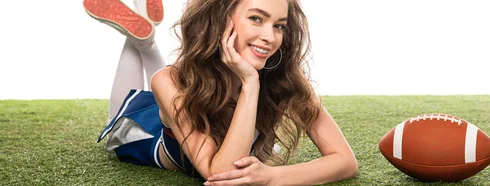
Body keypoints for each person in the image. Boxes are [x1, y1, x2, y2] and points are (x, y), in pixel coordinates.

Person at [85, 0, 358, 185]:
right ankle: (142, 42)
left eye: (279, 25)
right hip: (146, 135)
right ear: (221, 20)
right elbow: (223, 175)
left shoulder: (283, 78)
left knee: (166, 85)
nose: (270, 37)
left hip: (179, 105)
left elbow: (346, 161)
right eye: (256, 18)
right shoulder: (168, 80)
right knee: (118, 122)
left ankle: (144, 40)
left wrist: (272, 177)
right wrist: (250, 84)